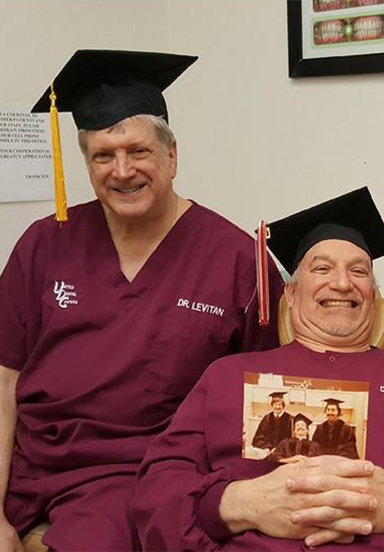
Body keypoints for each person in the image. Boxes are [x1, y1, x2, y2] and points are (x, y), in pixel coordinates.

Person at [0, 49, 283, 552]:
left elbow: (262, 396)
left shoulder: (239, 260)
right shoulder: (44, 243)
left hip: (150, 471)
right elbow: (4, 381)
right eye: (102, 156)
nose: (122, 170)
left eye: (138, 151)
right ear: (85, 164)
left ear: (172, 156)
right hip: (39, 463)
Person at [132, 187, 384, 551]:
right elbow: (155, 496)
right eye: (322, 268)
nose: (342, 283)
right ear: (292, 294)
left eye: (359, 272)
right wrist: (239, 503)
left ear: (374, 297)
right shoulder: (227, 376)